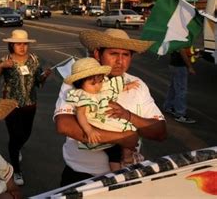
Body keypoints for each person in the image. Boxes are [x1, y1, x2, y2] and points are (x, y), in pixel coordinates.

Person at [54, 29, 167, 187]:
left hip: (128, 175)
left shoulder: (137, 85)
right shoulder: (78, 82)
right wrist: (122, 137)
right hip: (82, 176)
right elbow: (64, 125)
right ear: (97, 54)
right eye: (113, 54)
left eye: (126, 55)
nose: (120, 61)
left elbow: (160, 131)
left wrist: (128, 116)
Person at [0, 29, 52, 185]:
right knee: (15, 135)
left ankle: (16, 149)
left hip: (30, 104)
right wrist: (1, 67)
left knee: (25, 134)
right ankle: (16, 170)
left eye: (24, 44)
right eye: (18, 44)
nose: (22, 47)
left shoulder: (34, 60)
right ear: (11, 45)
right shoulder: (6, 59)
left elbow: (38, 81)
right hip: (11, 105)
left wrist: (44, 77)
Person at [63, 57, 140, 171]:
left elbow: (115, 89)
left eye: (100, 81)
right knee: (114, 151)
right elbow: (81, 114)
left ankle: (127, 157)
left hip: (109, 119)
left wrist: (128, 86)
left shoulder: (103, 88)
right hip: (98, 122)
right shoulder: (82, 96)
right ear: (80, 83)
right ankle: (118, 170)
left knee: (130, 132)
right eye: (93, 84)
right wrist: (89, 130)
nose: (98, 86)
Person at [162, 47, 197, 124]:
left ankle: (168, 106)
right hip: (180, 66)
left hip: (173, 64)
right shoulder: (181, 38)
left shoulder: (174, 37)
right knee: (181, 90)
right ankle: (180, 114)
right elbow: (182, 52)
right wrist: (190, 67)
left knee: (173, 88)